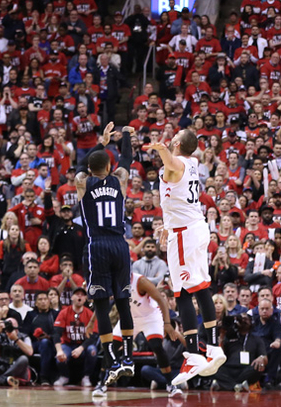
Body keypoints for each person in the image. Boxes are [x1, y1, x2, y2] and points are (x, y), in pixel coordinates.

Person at [145, 129, 227, 386]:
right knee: (200, 286)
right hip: (194, 227)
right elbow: (177, 196)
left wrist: (160, 149)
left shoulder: (177, 162)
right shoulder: (193, 162)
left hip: (184, 235)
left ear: (177, 144)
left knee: (182, 292)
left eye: (173, 139)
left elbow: (171, 163)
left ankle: (193, 353)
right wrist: (168, 223)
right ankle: (212, 347)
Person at [75, 123, 136, 396]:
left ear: (90, 170)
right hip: (120, 245)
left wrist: (101, 142)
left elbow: (79, 166)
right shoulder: (120, 179)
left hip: (97, 246)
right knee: (123, 303)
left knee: (101, 305)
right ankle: (128, 358)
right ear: (110, 169)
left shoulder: (83, 183)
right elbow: (127, 160)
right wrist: (126, 138)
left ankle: (111, 361)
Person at [112, 272, 182, 396]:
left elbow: (161, 300)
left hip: (150, 317)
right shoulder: (113, 281)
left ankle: (171, 384)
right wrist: (91, 322)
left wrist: (166, 323)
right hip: (130, 318)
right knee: (111, 348)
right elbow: (102, 303)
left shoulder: (140, 281)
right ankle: (102, 383)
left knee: (156, 346)